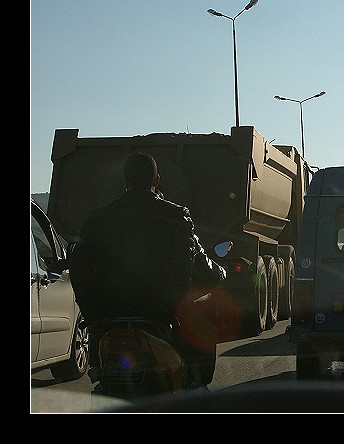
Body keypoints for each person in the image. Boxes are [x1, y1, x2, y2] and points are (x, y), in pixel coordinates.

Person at [69, 151, 226, 389]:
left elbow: (79, 268)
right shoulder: (176, 216)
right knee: (205, 311)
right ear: (156, 180)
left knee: (99, 375)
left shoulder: (98, 217)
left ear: (125, 181)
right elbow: (193, 261)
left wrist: (94, 317)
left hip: (108, 319)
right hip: (160, 317)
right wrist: (218, 274)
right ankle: (196, 383)